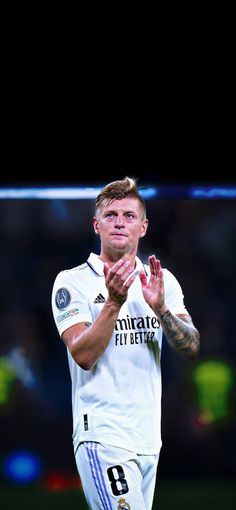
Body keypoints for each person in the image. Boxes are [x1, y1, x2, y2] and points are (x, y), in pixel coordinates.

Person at [51, 176, 200, 510]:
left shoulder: (161, 280)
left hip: (148, 438)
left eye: (129, 216)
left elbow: (191, 346)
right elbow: (83, 355)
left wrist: (161, 309)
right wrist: (114, 303)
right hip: (102, 435)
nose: (119, 222)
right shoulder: (73, 281)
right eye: (111, 215)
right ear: (96, 225)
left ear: (143, 227)